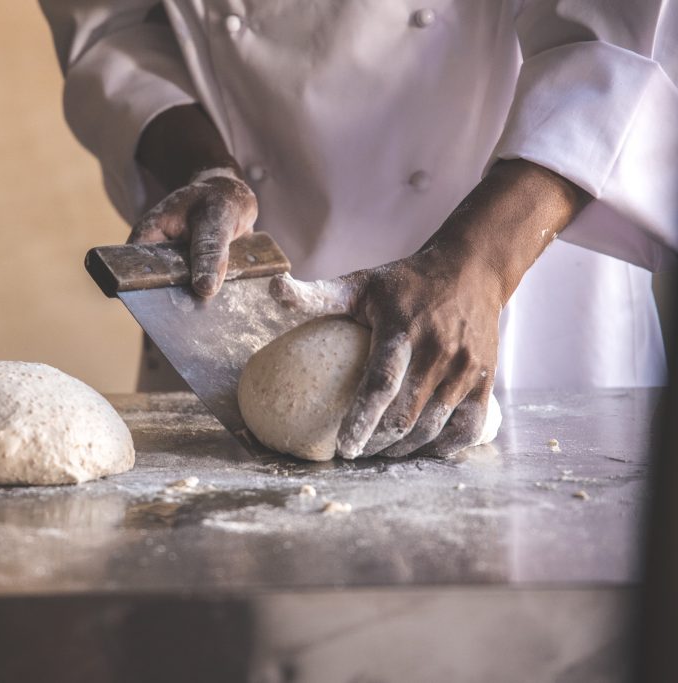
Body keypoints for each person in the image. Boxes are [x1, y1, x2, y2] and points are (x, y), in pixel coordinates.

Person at [38, 1, 676, 458]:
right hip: (241, 286)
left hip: (518, 234)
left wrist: (481, 263)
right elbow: (110, 29)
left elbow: (612, 44)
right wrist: (203, 168)